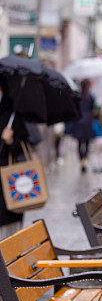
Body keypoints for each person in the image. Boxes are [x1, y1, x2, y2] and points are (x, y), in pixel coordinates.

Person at [0, 81, 32, 238]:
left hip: (9, 180)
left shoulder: (12, 116)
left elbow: (24, 148)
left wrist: (10, 142)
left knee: (10, 229)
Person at [70, 79, 95, 173]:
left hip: (78, 122)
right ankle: (85, 161)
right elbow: (93, 109)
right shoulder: (90, 96)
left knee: (80, 143)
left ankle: (82, 162)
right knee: (87, 144)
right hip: (88, 122)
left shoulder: (77, 96)